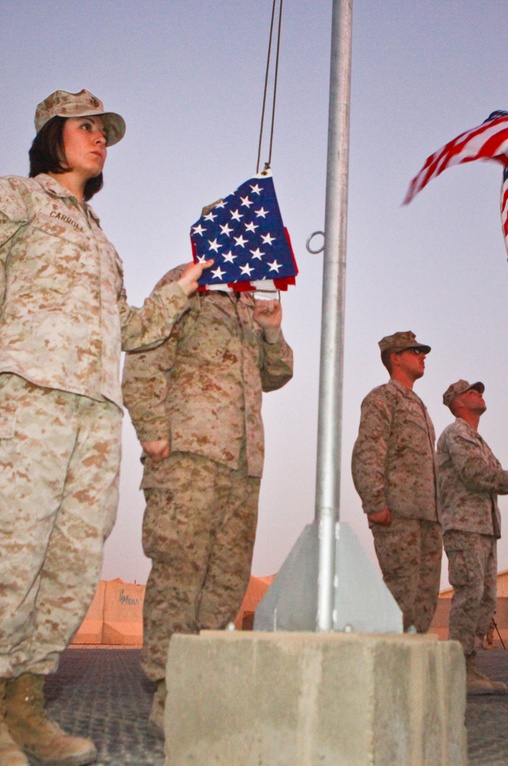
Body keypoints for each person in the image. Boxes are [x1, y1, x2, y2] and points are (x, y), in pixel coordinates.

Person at [0, 89, 210, 766]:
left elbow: (133, 331)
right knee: (11, 553)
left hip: (94, 415)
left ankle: (28, 710)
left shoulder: (101, 240)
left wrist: (184, 285)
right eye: (86, 128)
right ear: (53, 135)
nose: (99, 139)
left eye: (104, 132)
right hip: (27, 400)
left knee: (70, 564)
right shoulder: (12, 198)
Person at [121, 271, 293, 732]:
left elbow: (277, 373)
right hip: (187, 456)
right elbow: (145, 353)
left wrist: (271, 329)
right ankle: (169, 689)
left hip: (242, 463)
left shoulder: (245, 304)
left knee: (227, 580)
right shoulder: (186, 284)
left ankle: (204, 682)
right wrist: (153, 429)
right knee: (180, 574)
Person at [436, 379, 508, 695]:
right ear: (457, 403)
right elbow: (476, 474)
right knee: (470, 593)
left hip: (483, 527)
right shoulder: (456, 433)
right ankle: (458, 670)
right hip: (465, 526)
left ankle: (468, 665)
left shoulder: (476, 439)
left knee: (484, 597)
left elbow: (496, 478)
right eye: (471, 392)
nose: (478, 394)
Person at [351, 331, 442, 634]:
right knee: (400, 595)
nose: (422, 355)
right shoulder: (382, 398)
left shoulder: (418, 405)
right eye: (414, 351)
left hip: (428, 517)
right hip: (398, 514)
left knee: (425, 600)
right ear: (395, 358)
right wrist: (375, 503)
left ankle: (413, 669)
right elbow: (368, 451)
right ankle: (389, 670)